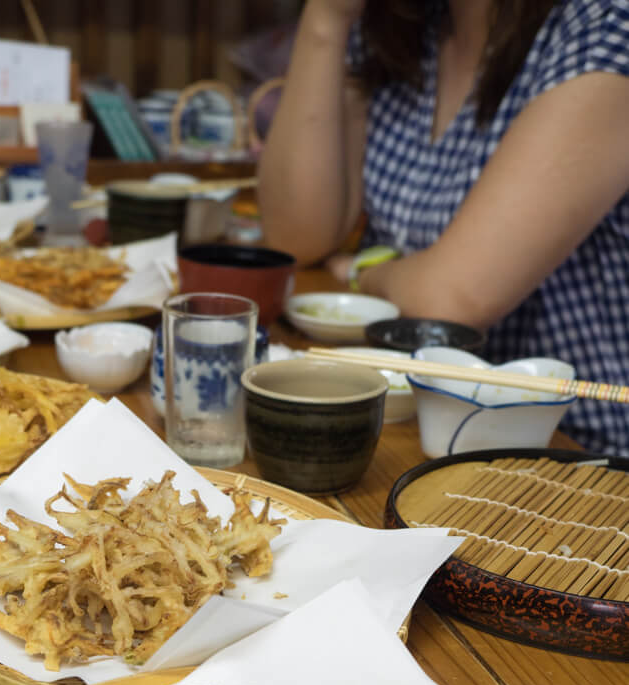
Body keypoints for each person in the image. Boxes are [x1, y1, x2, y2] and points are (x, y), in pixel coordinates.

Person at [257, 0, 629, 455]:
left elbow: (451, 300)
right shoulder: (405, 24)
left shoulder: (607, 27)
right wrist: (325, 19)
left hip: (574, 451)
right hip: (414, 421)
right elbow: (296, 235)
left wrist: (364, 272)